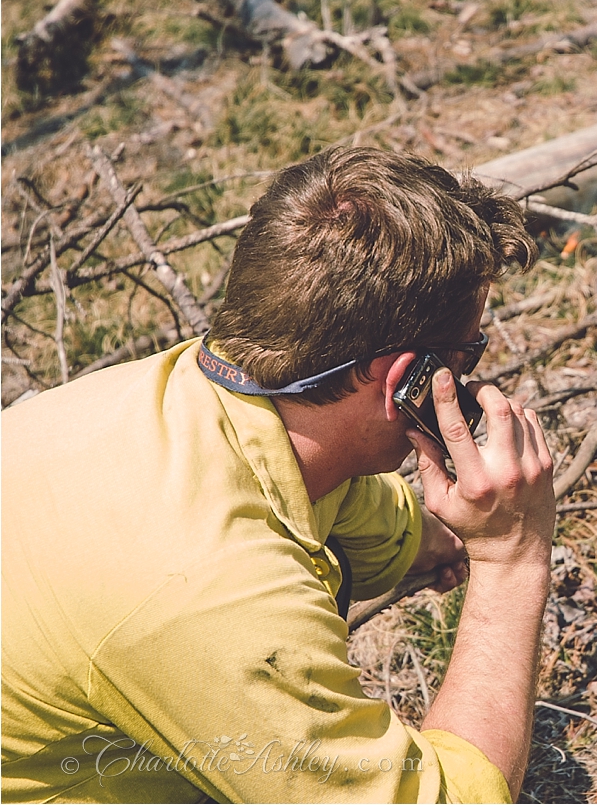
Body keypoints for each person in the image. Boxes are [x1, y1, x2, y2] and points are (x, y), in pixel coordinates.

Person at [1, 147, 556, 803]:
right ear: (402, 380)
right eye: (468, 354)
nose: (469, 375)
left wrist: (449, 539)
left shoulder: (177, 401)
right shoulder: (210, 588)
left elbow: (349, 508)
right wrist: (512, 560)